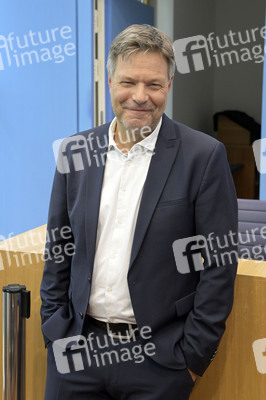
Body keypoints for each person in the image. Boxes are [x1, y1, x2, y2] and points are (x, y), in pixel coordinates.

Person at [40, 24, 238, 400]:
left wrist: (192, 357)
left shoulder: (203, 156)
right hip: (78, 350)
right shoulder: (75, 152)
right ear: (110, 81)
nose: (140, 97)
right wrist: (55, 331)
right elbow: (59, 246)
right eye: (129, 82)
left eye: (154, 85)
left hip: (160, 360)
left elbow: (218, 264)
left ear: (169, 85)